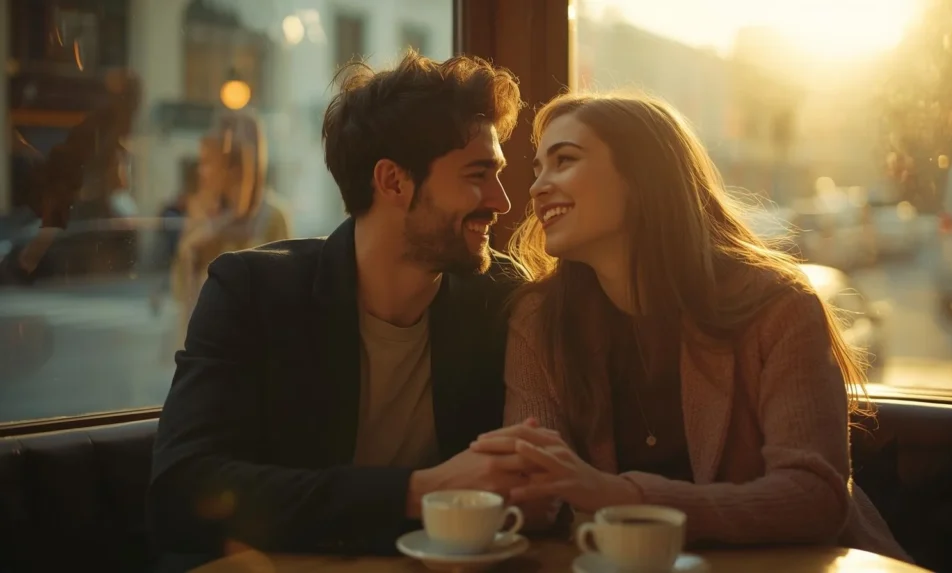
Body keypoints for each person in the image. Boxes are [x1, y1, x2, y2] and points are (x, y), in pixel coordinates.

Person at [470, 93, 911, 562]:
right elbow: (535, 494)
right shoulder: (539, 320)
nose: (537, 186)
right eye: (538, 168)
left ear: (644, 176)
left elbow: (814, 498)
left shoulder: (778, 305)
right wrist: (510, 479)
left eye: (564, 160)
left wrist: (618, 495)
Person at [149, 53, 529, 569]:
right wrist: (414, 491)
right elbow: (183, 488)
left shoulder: (499, 297)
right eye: (478, 173)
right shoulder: (251, 291)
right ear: (393, 181)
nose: (502, 201)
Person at [169, 112, 291, 347]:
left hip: (253, 346)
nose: (205, 171)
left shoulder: (272, 216)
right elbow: (179, 290)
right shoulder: (201, 211)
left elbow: (283, 295)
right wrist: (193, 248)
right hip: (203, 344)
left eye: (226, 161)